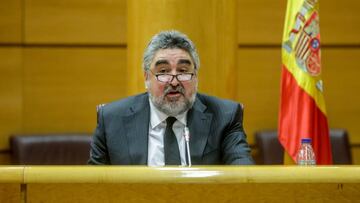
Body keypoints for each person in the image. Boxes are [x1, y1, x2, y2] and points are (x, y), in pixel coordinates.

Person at [88, 30, 254, 166]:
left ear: (196, 76)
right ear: (146, 78)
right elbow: (94, 187)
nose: (174, 81)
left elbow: (244, 176)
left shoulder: (225, 116)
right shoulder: (111, 119)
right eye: (163, 71)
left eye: (183, 71)